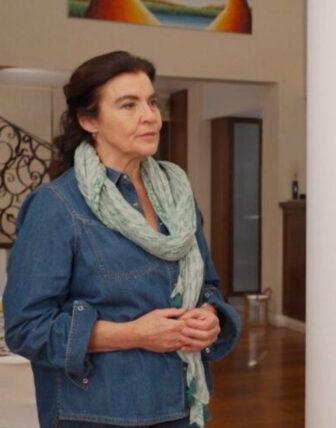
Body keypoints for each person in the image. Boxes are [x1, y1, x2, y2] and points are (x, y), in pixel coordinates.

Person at [3, 51, 240, 428]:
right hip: (98, 414)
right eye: (128, 105)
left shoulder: (178, 197)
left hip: (183, 406)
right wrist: (133, 335)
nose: (150, 116)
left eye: (152, 102)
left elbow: (207, 285)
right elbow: (26, 328)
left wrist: (210, 317)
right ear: (88, 120)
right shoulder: (56, 207)